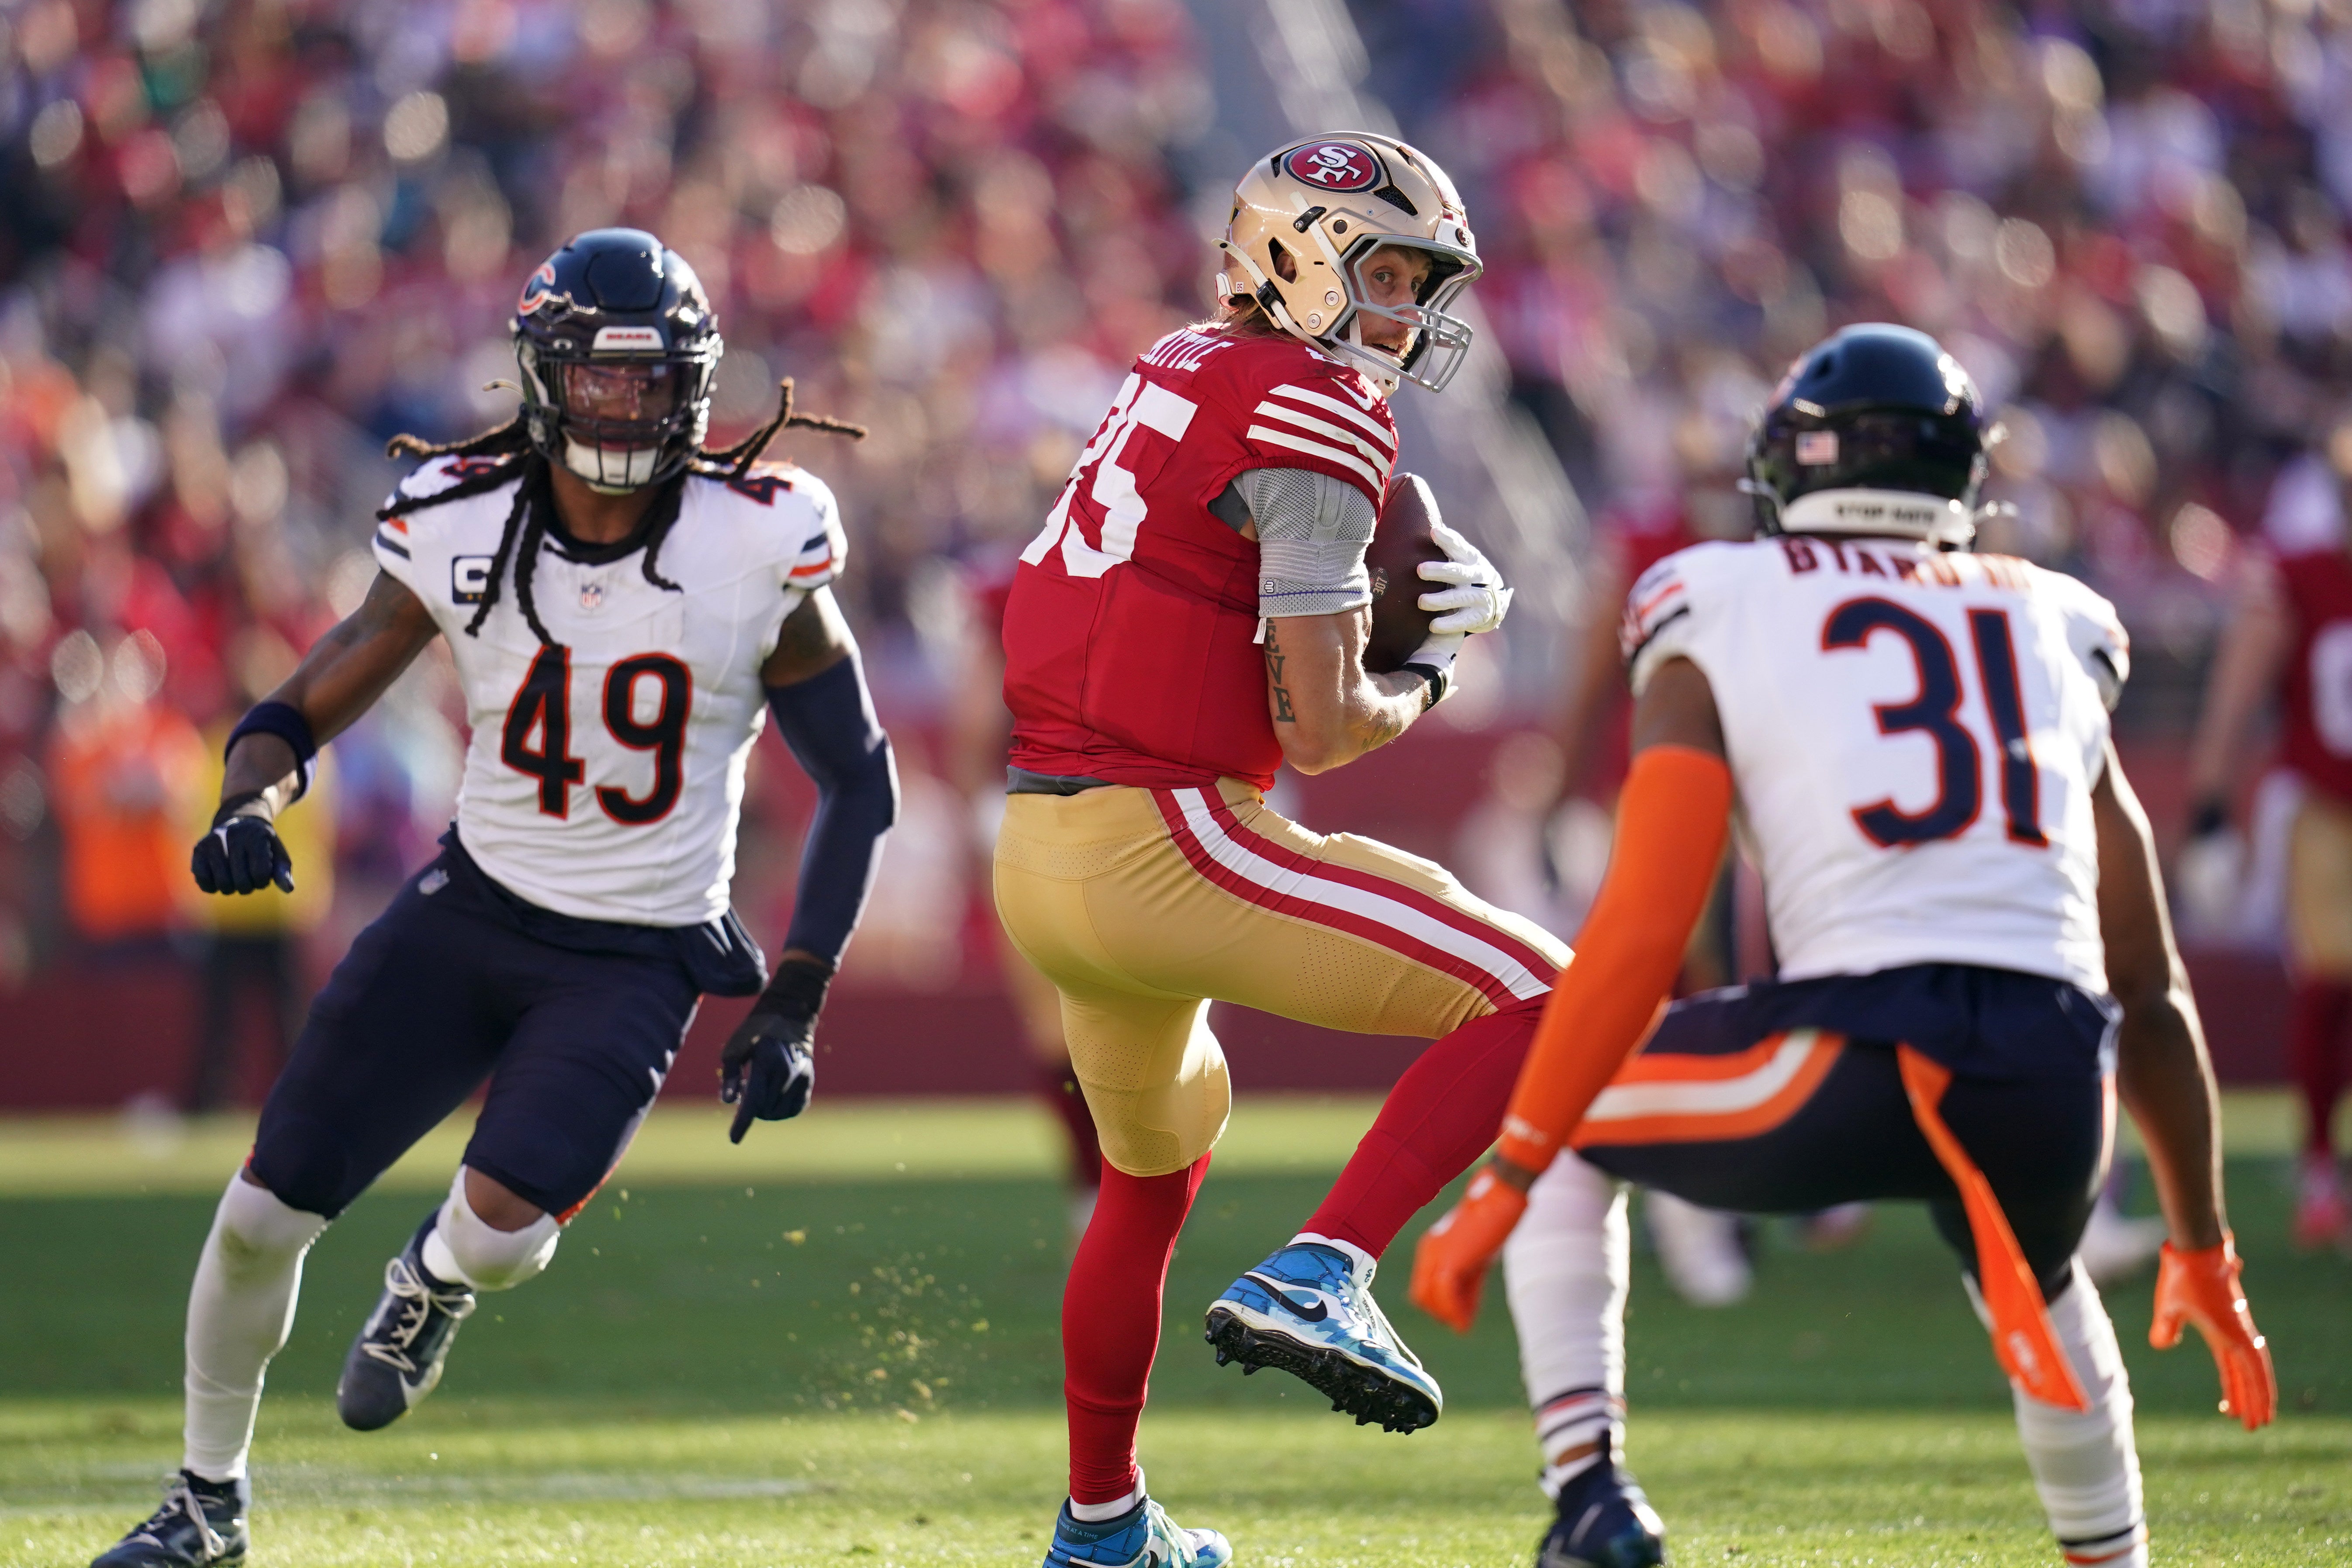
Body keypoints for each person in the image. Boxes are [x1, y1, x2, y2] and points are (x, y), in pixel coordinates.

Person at [90, 229, 898, 1568]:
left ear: (695, 388)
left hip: (635, 952)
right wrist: (250, 798)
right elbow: (323, 679)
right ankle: (203, 1501)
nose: (624, 408)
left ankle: (433, 1279)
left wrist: (798, 993)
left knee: (507, 1235)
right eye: (598, 379)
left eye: (651, 383)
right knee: (258, 1216)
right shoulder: (454, 516)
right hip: (465, 913)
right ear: (542, 380)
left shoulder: (761, 535)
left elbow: (856, 779)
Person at [1412, 325, 2277, 1568]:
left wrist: (1507, 1173)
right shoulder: (2060, 620)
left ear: (1790, 467)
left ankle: (1588, 1489)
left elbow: (1645, 923)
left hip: (1847, 1056)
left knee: (1547, 1103)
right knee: (2035, 1277)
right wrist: (2202, 1240)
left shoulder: (1710, 593)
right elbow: (2146, 986)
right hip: (2048, 1082)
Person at [995, 132, 1549, 1568]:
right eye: (1385, 274)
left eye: (1423, 284)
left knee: (1148, 1175)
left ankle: (1103, 1529)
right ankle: (1323, 1268)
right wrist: (1438, 659)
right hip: (1163, 839)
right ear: (1292, 253)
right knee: (1559, 999)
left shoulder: (1177, 365)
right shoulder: (1314, 411)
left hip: (1042, 850)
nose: (1406, 316)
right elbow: (1319, 730)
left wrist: (1395, 617)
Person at [2183, 450, 2352, 1247]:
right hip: (2324, 809)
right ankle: (2319, 1166)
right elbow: (2237, 689)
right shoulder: (2296, 576)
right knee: (2326, 981)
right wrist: (2210, 804)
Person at [947, 556, 1104, 1234]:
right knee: (1156, 1016)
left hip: (1033, 809)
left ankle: (1092, 1187)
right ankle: (1131, 1183)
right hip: (1147, 806)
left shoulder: (1020, 584)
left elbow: (974, 727)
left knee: (1056, 1024)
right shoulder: (1179, 560)